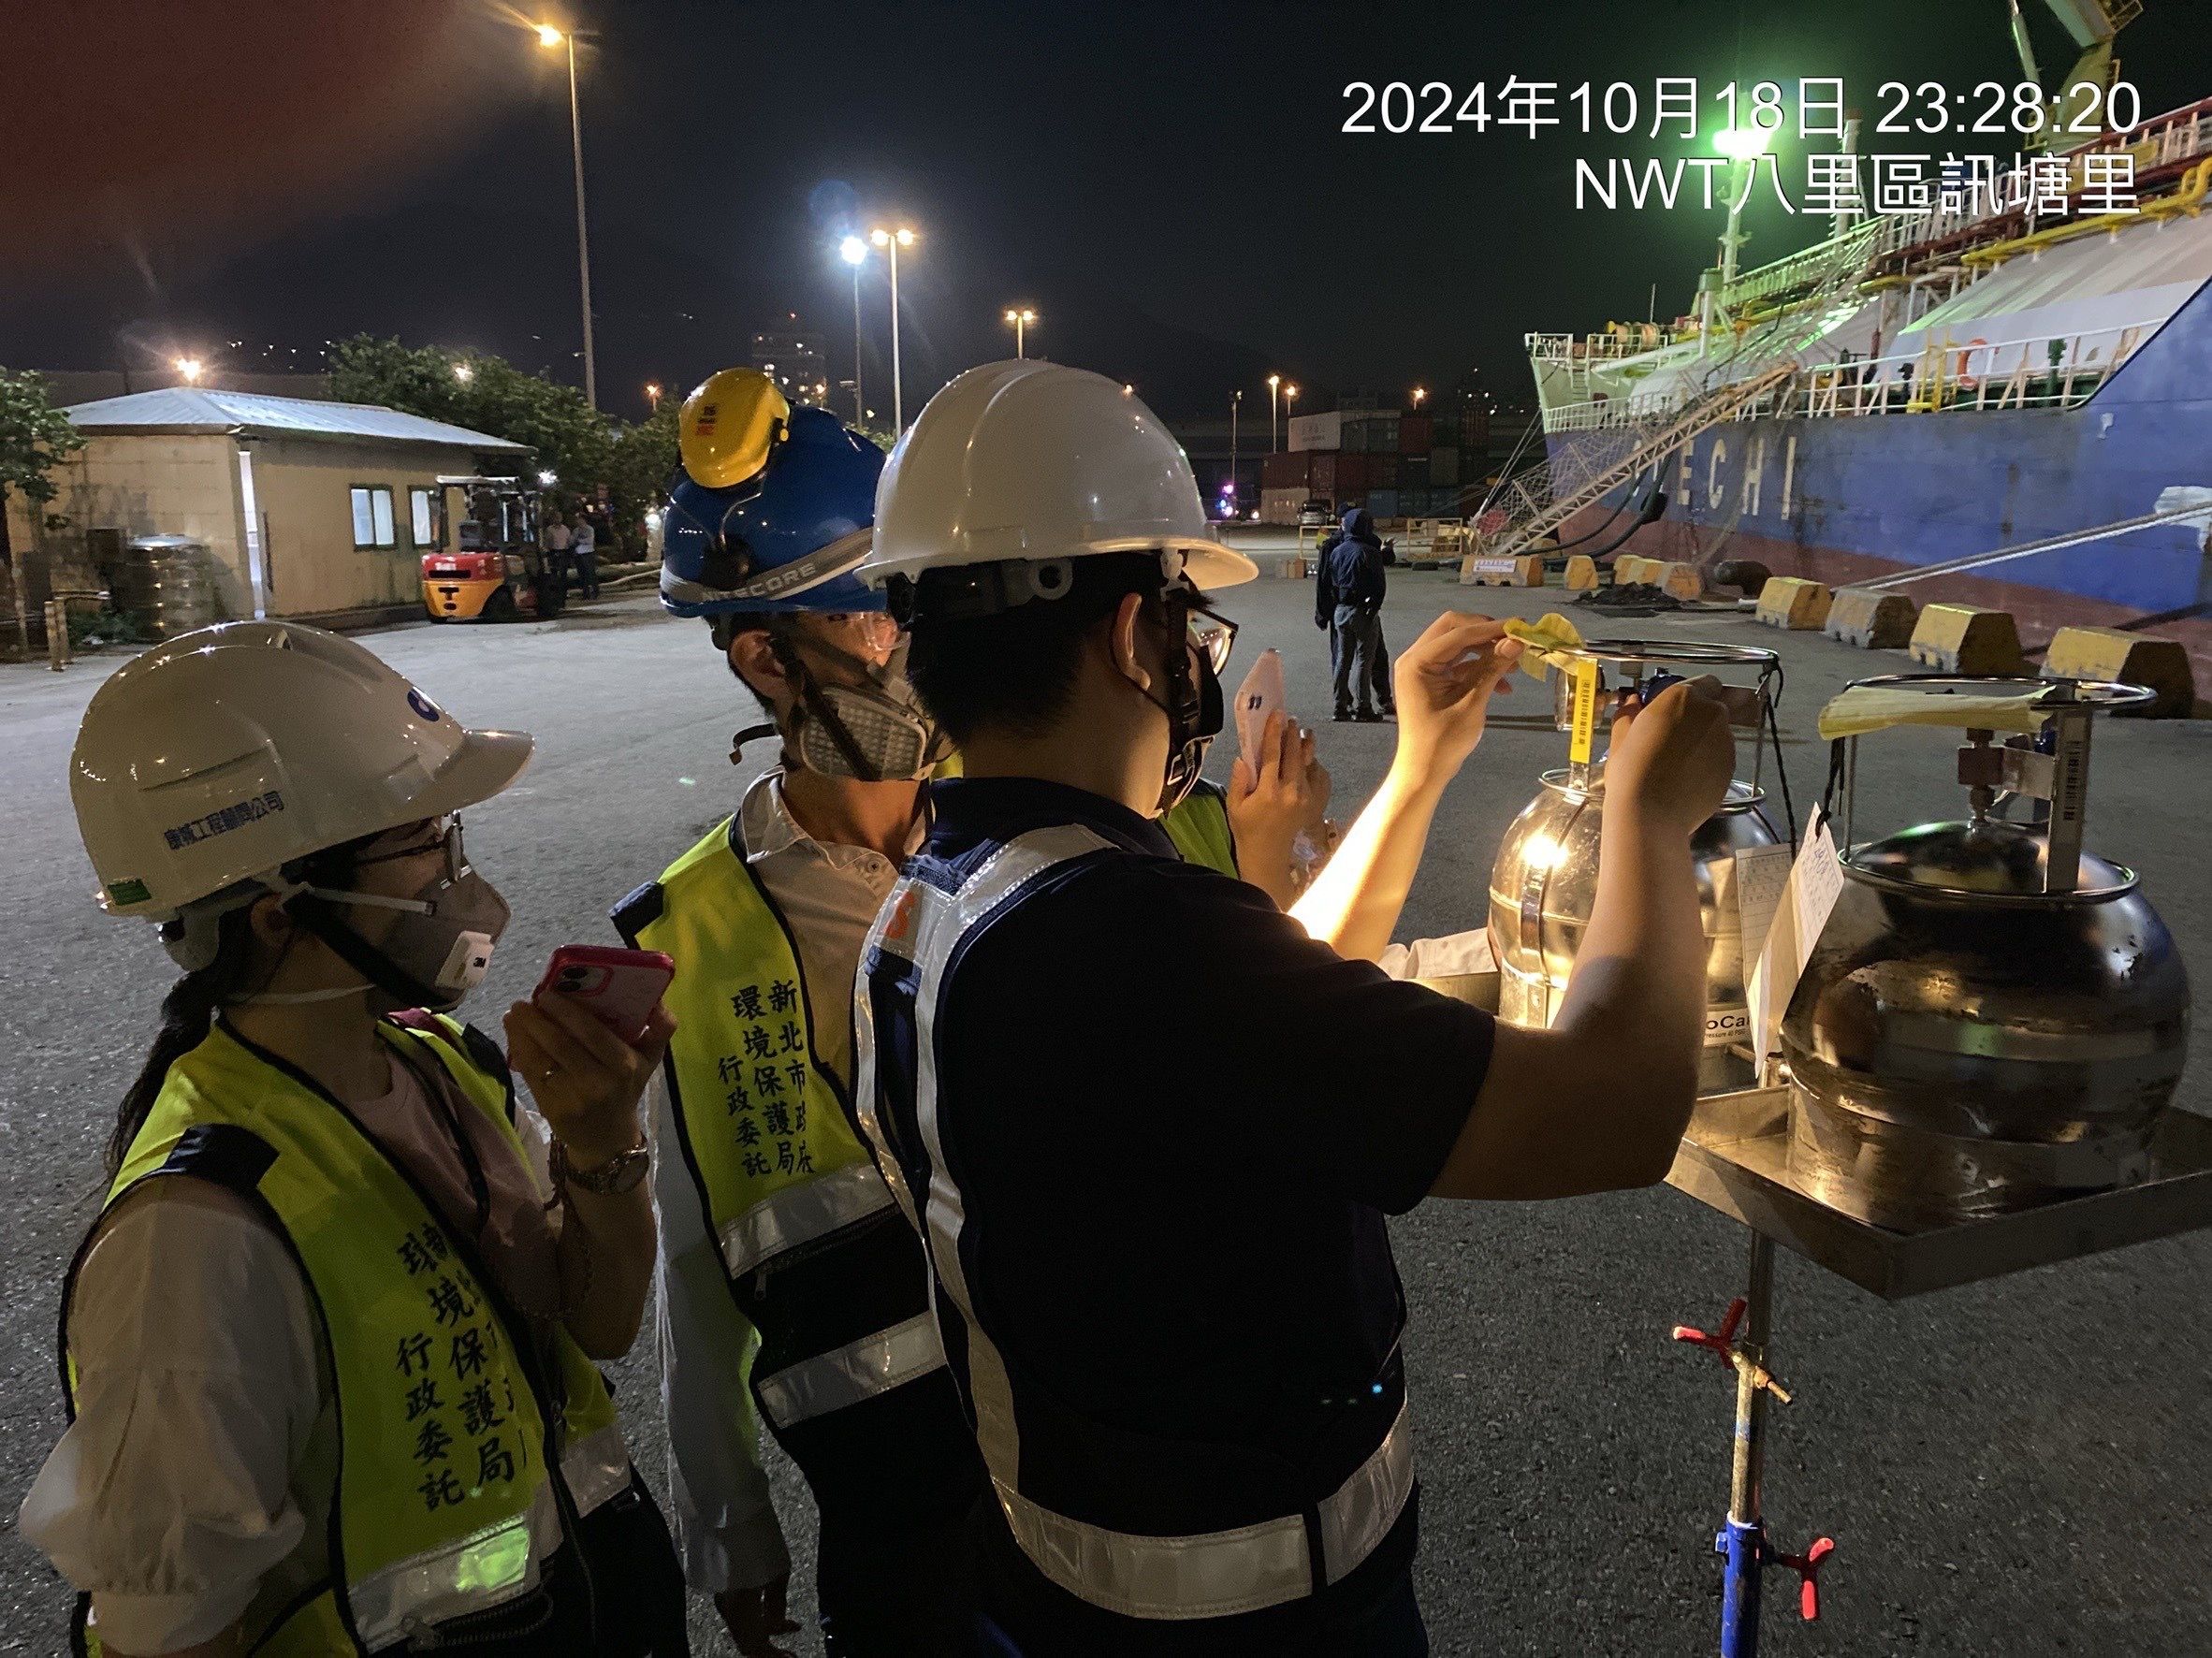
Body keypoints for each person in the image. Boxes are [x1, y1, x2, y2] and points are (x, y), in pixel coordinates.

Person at [851, 360, 1738, 1656]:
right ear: (1128, 636)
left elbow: (1274, 996)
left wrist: (1422, 772)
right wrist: (1652, 822)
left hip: (1058, 1593)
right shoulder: (1130, 942)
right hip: (1263, 1626)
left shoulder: (941, 904)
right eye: (1182, 622)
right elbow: (1612, 1113)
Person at [618, 368, 1320, 1657]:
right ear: (767, 656)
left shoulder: (1089, 821)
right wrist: (729, 1526)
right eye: (882, 623)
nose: (921, 647)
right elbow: (693, 1269)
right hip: (897, 1517)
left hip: (1108, 1475)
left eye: (917, 608)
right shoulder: (697, 938)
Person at [23, 619, 689, 1656]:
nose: (456, 873)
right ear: (283, 911)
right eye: (424, 839)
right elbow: (171, 1627)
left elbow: (596, 1322)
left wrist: (601, 1140)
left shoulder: (442, 1060)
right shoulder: (191, 1238)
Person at [1321, 506, 1390, 721]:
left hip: (1340, 610)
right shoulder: (1369, 552)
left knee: (1342, 658)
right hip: (1363, 610)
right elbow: (1379, 586)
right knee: (1364, 661)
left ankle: (1339, 706)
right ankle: (1364, 708)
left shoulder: (1336, 551)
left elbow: (1328, 582)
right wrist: (1373, 608)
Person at [544, 509, 575, 592]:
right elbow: (547, 541)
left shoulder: (565, 529)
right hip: (553, 552)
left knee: (563, 573)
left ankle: (564, 591)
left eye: (559, 517)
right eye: (556, 517)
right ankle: (556, 591)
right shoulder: (550, 529)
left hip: (563, 552)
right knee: (554, 573)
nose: (558, 519)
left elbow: (569, 541)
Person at [573, 511, 600, 599]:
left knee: (590, 573)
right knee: (582, 574)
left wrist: (579, 541)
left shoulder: (589, 529)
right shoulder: (576, 530)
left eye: (580, 519)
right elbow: (572, 541)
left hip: (588, 553)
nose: (578, 521)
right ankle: (585, 593)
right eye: (577, 520)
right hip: (579, 553)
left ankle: (595, 591)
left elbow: (589, 541)